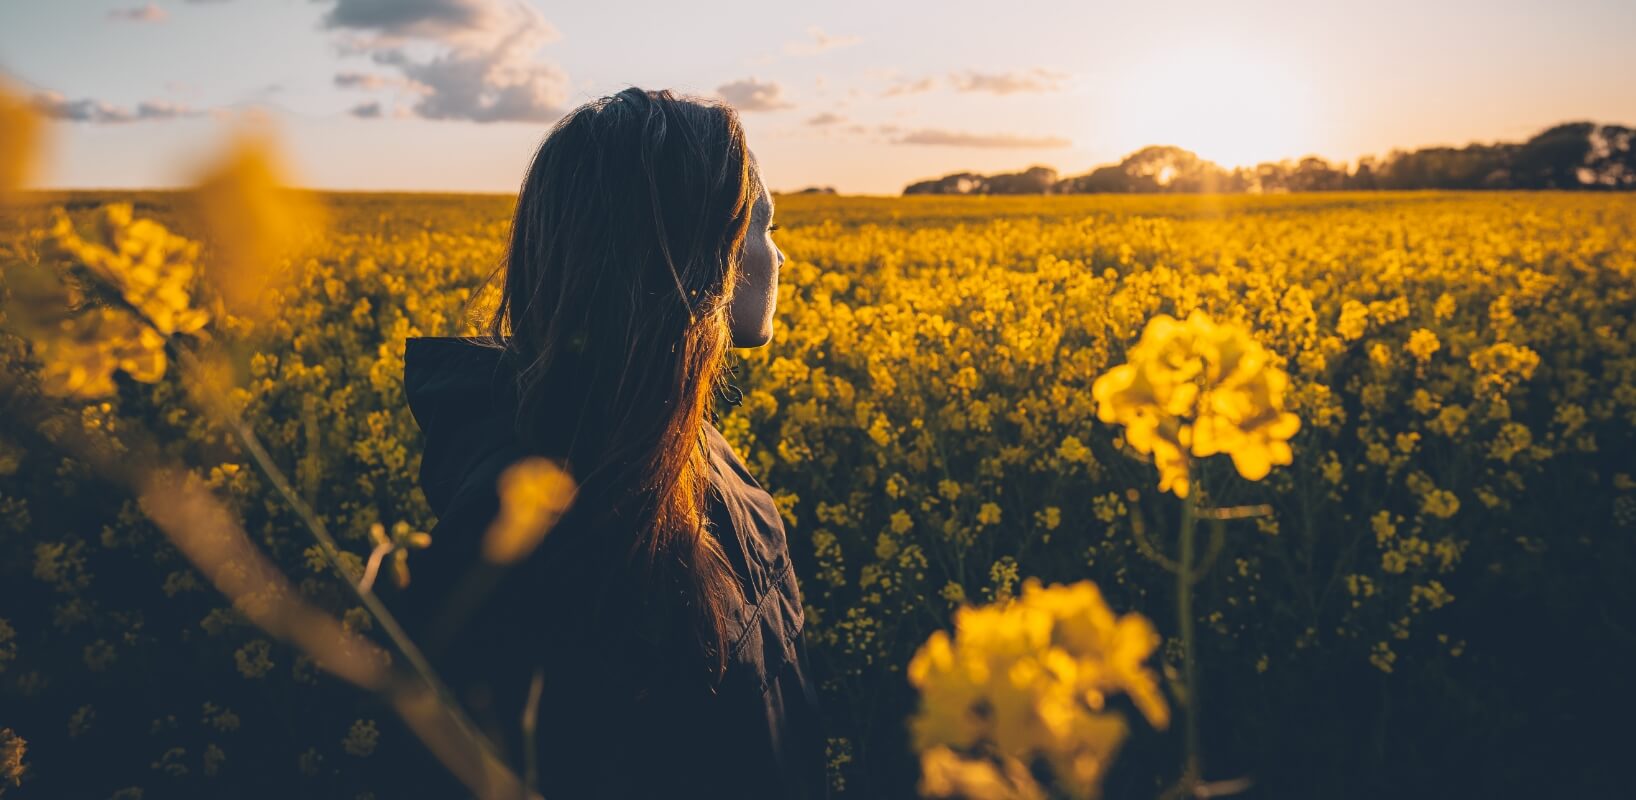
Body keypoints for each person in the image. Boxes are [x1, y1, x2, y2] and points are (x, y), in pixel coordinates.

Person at [396, 86, 828, 799]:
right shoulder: (539, 536)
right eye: (767, 228)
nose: (779, 256)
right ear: (709, 253)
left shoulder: (680, 443)